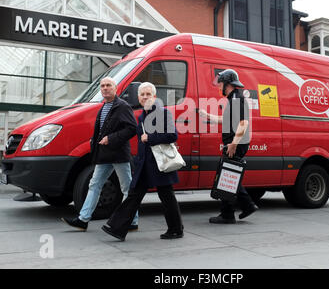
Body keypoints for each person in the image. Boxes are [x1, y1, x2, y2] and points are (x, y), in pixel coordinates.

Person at [102, 82, 184, 241]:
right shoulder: (142, 116)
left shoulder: (162, 113)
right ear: (138, 97)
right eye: (142, 94)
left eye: (148, 94)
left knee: (166, 196)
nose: (145, 97)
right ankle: (117, 228)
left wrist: (150, 137)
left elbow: (172, 135)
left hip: (160, 164)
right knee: (134, 195)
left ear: (154, 97)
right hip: (145, 165)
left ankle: (176, 229)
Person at [62, 77, 138, 231]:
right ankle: (83, 220)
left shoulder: (122, 106)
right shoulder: (103, 107)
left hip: (118, 155)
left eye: (108, 85)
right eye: (102, 86)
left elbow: (131, 128)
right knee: (94, 184)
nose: (105, 88)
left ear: (115, 88)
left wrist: (111, 138)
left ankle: (133, 221)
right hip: (104, 155)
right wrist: (94, 141)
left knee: (127, 188)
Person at [199, 69, 258, 224]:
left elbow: (243, 123)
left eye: (220, 84)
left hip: (236, 144)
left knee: (228, 176)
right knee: (230, 175)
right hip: (235, 143)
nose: (219, 87)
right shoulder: (234, 98)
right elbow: (227, 120)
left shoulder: (237, 99)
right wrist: (207, 116)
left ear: (228, 84)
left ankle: (229, 214)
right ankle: (245, 207)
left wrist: (233, 144)